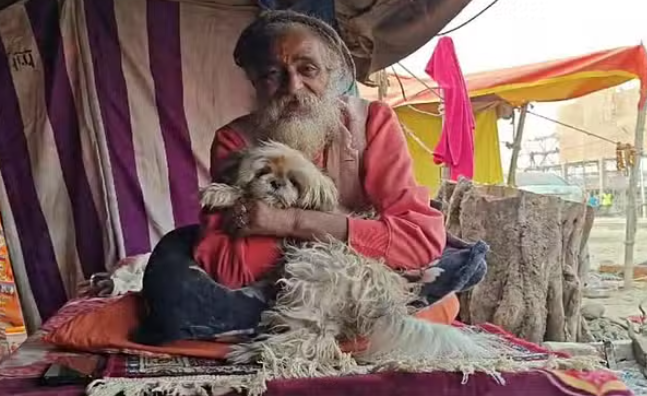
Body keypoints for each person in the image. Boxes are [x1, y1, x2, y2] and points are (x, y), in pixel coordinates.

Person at [133, 11, 459, 346]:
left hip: (365, 281)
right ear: (255, 84)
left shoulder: (372, 123)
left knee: (441, 290)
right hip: (288, 285)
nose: (293, 87)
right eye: (273, 74)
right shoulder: (235, 141)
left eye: (308, 69)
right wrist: (365, 234)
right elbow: (228, 267)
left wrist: (285, 221)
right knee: (174, 285)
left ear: (331, 73)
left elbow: (418, 240)